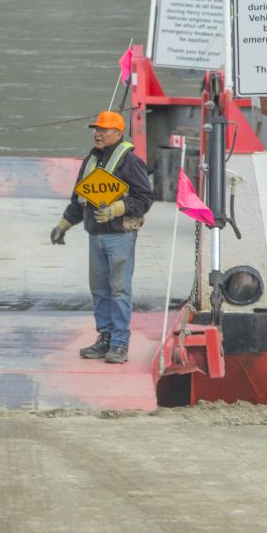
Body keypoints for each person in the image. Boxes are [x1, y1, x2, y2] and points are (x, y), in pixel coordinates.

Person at [50, 111, 154, 364]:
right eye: (96, 129)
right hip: (95, 235)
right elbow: (79, 198)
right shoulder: (91, 160)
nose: (98, 133)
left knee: (119, 290)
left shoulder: (129, 162)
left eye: (103, 130)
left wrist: (118, 208)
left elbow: (145, 198)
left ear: (117, 134)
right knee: (99, 290)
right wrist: (64, 224)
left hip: (120, 235)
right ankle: (105, 337)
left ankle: (119, 344)